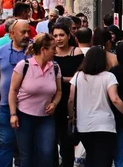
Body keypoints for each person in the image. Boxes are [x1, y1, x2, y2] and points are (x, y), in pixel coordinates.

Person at [8, 33, 61, 167]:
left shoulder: (55, 67)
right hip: (24, 116)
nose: (56, 51)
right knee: (26, 156)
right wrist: (13, 114)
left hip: (46, 117)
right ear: (43, 50)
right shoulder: (23, 65)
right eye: (53, 48)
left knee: (47, 152)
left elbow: (59, 91)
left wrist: (54, 103)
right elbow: (13, 91)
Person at [70, 46, 123, 166]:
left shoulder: (78, 76)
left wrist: (71, 116)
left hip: (84, 125)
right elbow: (115, 99)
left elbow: (71, 99)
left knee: (90, 156)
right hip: (105, 125)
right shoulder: (108, 76)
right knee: (104, 159)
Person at [0, 19, 31, 167]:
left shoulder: (35, 50)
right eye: (23, 32)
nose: (27, 35)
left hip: (29, 107)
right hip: (6, 107)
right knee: (5, 143)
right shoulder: (1, 51)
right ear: (11, 34)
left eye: (28, 31)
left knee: (26, 146)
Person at [52, 23, 84, 167]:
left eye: (61, 35)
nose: (59, 39)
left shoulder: (76, 52)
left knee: (67, 141)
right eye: (55, 36)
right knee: (51, 141)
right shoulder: (51, 53)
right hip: (52, 99)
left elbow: (79, 76)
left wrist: (59, 78)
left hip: (71, 99)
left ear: (68, 36)